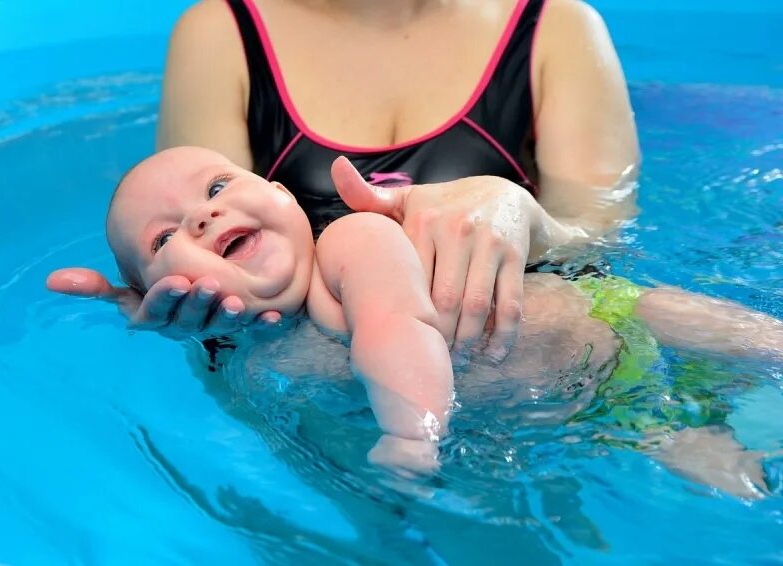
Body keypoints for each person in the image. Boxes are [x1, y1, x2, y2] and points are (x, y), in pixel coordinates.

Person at [49, 146, 783, 491]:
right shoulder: (256, 352)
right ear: (159, 292)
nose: (207, 213)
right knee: (723, 477)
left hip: (614, 320)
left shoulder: (350, 243)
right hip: (580, 409)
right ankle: (699, 444)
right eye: (165, 236)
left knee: (720, 330)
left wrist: (411, 434)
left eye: (218, 185)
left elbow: (398, 329)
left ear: (279, 191)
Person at [47, 0, 640, 361]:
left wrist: (517, 210)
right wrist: (194, 314)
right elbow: (189, 238)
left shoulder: (556, 27)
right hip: (314, 370)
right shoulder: (221, 34)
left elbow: (605, 245)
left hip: (536, 341)